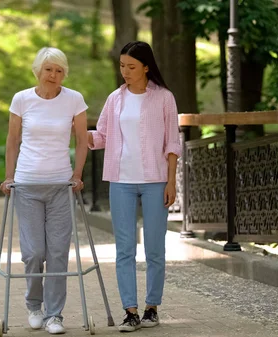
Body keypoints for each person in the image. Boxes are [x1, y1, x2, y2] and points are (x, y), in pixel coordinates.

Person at [87, 41, 181, 332]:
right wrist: (78, 130)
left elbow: (172, 143)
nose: (125, 72)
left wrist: (171, 180)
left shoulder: (164, 98)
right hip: (121, 182)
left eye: (130, 66)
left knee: (154, 247)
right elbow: (101, 136)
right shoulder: (115, 99)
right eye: (121, 66)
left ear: (146, 67)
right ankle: (130, 311)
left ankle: (152, 307)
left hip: (155, 182)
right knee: (124, 249)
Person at [0, 47, 88, 335]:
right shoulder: (21, 99)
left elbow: (81, 141)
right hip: (26, 185)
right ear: (38, 70)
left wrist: (77, 175)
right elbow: (12, 141)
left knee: (59, 252)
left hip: (61, 185)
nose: (54, 75)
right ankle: (34, 305)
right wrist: (9, 177)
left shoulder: (74, 100)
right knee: (34, 252)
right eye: (49, 69)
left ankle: (54, 315)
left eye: (59, 70)